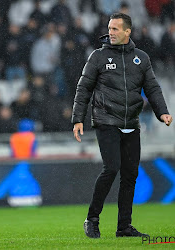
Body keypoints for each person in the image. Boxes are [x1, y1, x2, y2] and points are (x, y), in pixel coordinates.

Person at [72, 13, 173, 238]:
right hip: (106, 120)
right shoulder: (98, 56)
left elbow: (153, 88)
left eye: (116, 29)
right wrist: (78, 118)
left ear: (128, 31)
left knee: (130, 175)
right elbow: (84, 88)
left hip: (131, 122)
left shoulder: (141, 58)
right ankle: (92, 219)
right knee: (112, 168)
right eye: (110, 28)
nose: (111, 32)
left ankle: (124, 227)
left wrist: (162, 112)